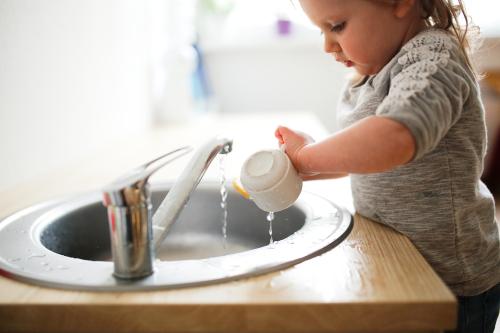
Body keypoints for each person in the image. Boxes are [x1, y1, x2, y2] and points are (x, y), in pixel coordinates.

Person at [274, 1, 500, 332]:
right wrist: (307, 163)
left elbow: (394, 138)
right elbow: (366, 158)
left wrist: (309, 155)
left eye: (336, 26)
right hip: (404, 262)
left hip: (451, 278)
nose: (327, 46)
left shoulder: (433, 59)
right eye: (320, 30)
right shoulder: (377, 69)